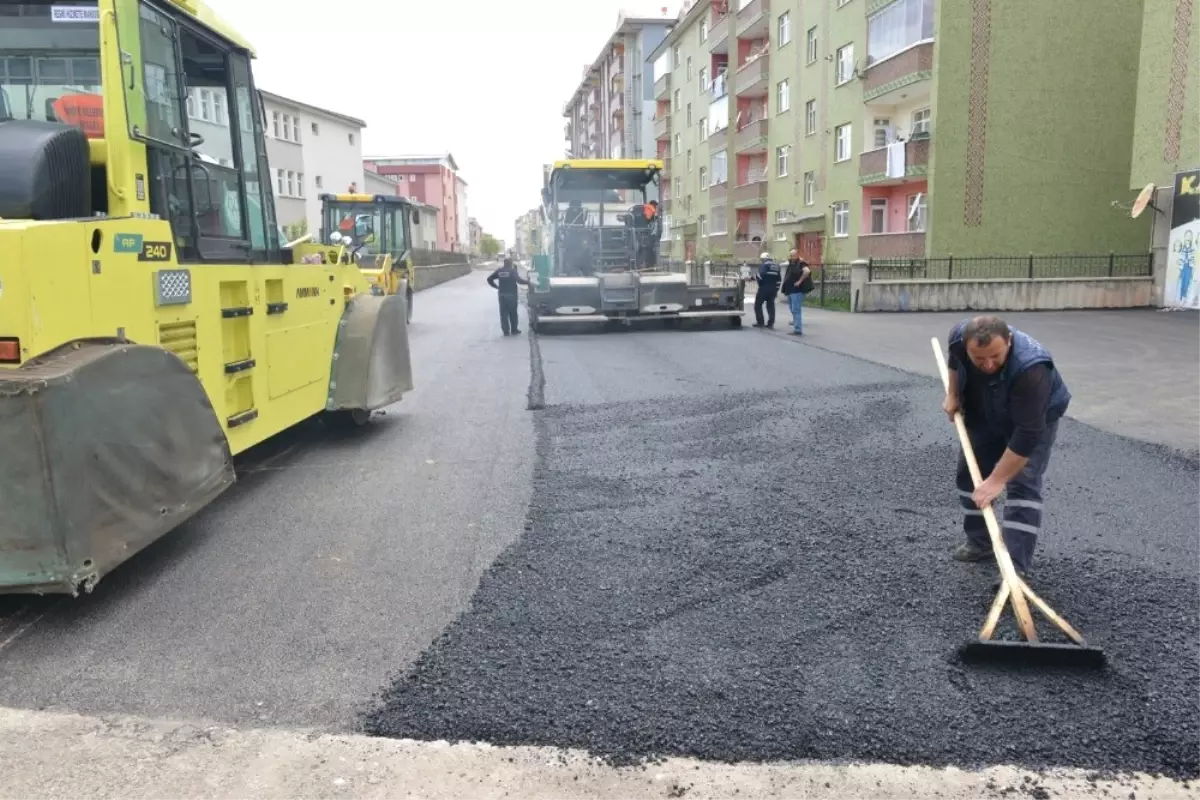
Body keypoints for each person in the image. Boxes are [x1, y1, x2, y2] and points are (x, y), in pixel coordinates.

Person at [942, 315, 1071, 582]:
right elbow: (954, 360)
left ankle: (1014, 570)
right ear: (967, 346)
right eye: (979, 359)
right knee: (971, 474)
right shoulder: (958, 336)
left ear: (1009, 341)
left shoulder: (1032, 368)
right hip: (984, 406)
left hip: (1033, 418)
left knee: (1022, 484)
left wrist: (997, 480)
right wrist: (953, 393)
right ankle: (980, 544)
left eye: (996, 357)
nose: (988, 364)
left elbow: (1027, 435)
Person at [487, 256, 530, 336]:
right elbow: (519, 280)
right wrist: (528, 282)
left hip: (502, 295)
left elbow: (489, 279)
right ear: (511, 264)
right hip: (512, 295)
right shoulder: (512, 271)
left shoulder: (499, 271)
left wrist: (496, 286)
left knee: (503, 313)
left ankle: (506, 331)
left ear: (504, 263)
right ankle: (514, 330)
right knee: (513, 313)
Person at [780, 250, 813, 336]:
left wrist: (799, 281)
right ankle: (796, 322)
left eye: (793, 255)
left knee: (796, 309)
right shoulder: (792, 263)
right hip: (790, 290)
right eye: (791, 255)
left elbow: (807, 271)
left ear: (797, 255)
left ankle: (798, 329)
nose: (791, 257)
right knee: (792, 308)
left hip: (797, 290)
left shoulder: (801, 263)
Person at [751, 251, 781, 328]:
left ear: (763, 259)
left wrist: (751, 278)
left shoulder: (764, 265)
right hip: (773, 289)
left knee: (758, 305)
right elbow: (779, 280)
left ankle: (760, 322)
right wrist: (776, 289)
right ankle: (771, 324)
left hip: (764, 288)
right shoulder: (777, 266)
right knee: (771, 306)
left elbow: (760, 276)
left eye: (761, 259)